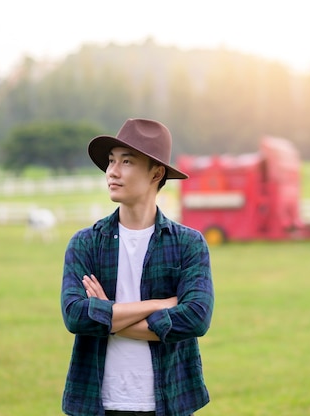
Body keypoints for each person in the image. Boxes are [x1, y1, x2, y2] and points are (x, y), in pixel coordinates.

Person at [60, 118, 214, 416]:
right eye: (111, 161)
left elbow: (196, 319)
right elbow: (76, 317)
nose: (112, 172)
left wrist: (108, 315)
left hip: (169, 401)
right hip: (97, 403)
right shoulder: (85, 244)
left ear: (156, 173)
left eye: (126, 161)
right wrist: (161, 305)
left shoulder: (188, 244)